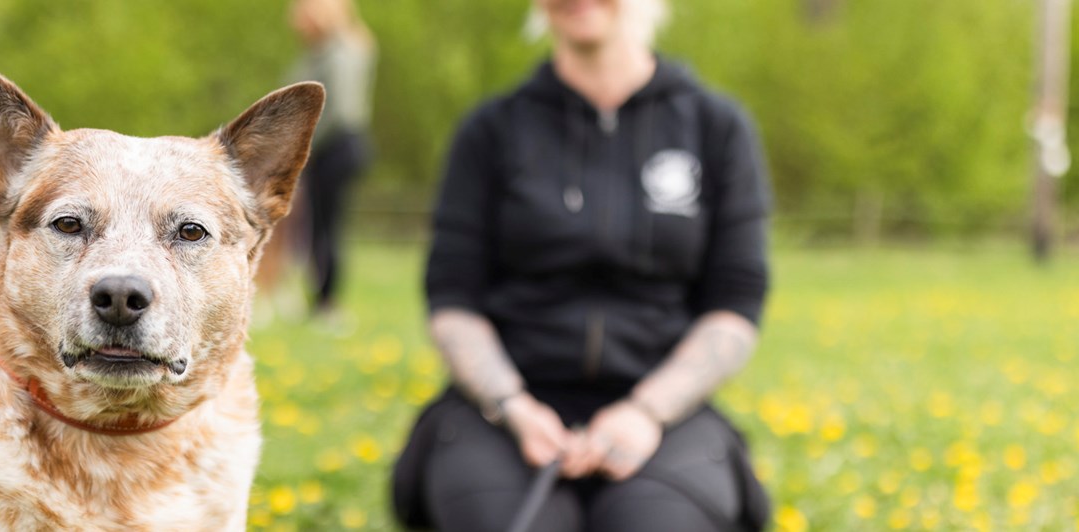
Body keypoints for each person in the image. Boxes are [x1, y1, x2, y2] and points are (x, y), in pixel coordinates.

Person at [390, 0, 773, 530]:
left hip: (666, 413)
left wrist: (646, 411)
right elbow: (453, 296)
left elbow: (735, 301)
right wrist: (512, 405)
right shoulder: (490, 130)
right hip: (502, 412)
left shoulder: (716, 126)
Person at [281, 0, 376, 320]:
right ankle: (319, 301)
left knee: (325, 227)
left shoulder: (343, 51)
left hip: (334, 146)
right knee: (316, 225)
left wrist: (298, 150)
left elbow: (337, 112)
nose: (295, 22)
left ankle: (327, 304)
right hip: (326, 146)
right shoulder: (322, 50)